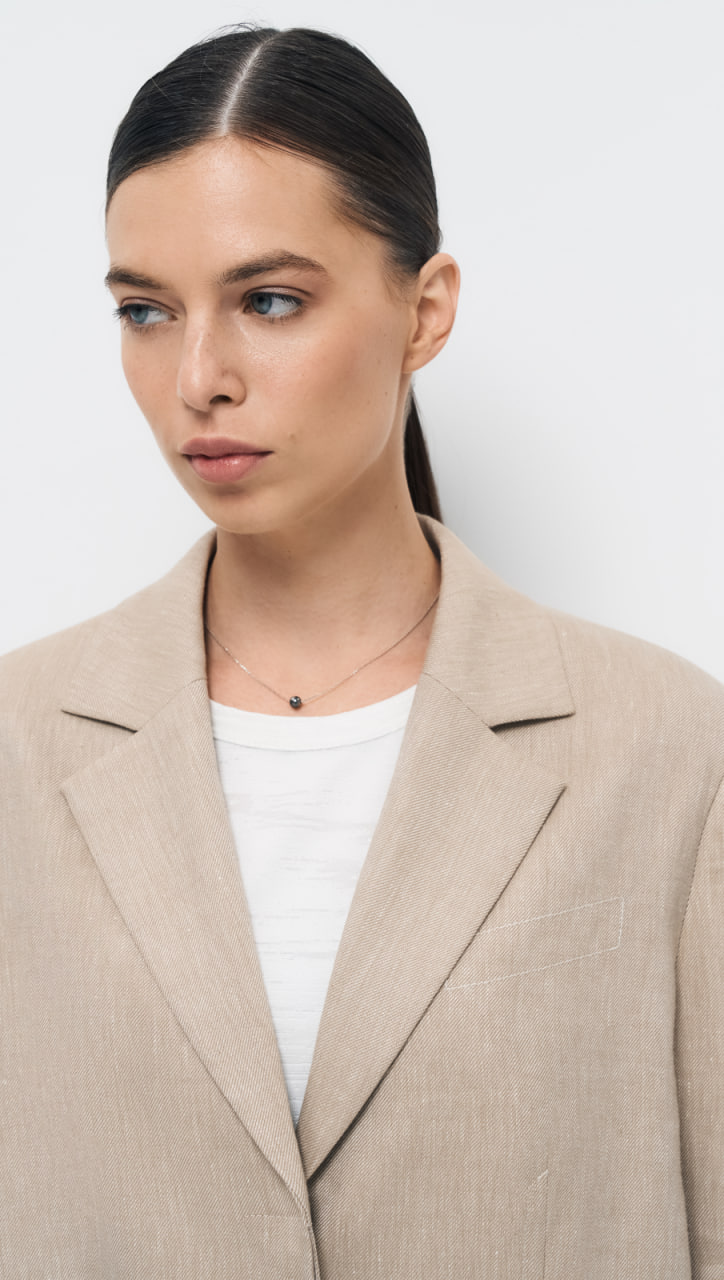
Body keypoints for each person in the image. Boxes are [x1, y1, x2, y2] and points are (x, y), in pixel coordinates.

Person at [1, 24, 722, 1280]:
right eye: (146, 311)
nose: (198, 376)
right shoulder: (19, 744)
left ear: (424, 311)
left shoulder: (665, 750)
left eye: (268, 300)